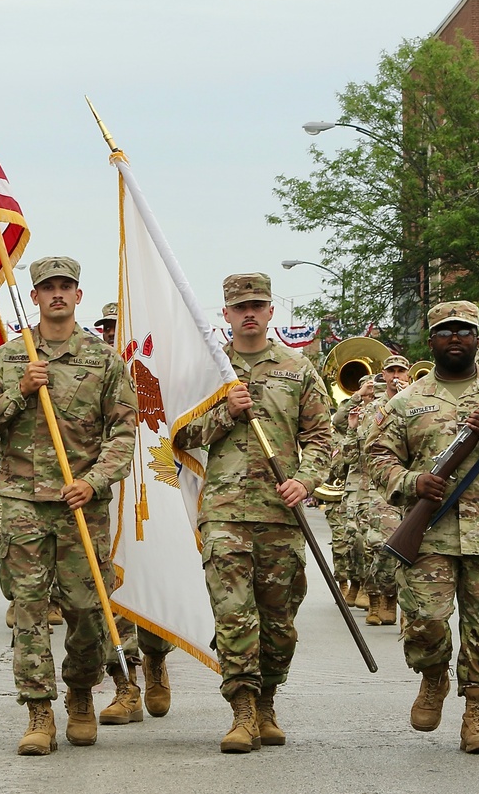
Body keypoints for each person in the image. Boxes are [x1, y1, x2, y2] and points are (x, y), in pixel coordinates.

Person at [0, 257, 138, 757]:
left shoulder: (103, 360)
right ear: (36, 297)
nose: (57, 295)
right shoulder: (9, 358)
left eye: (66, 287)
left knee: (88, 609)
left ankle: (81, 691)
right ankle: (38, 711)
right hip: (22, 502)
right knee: (29, 610)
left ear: (79, 296)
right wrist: (19, 393)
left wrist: (94, 481)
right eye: (48, 288)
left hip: (79, 504)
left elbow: (124, 432)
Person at [367, 300, 479, 755]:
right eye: (446, 331)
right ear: (431, 341)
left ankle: (477, 717)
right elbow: (377, 456)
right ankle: (433, 677)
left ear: (478, 340)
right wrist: (412, 481)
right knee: (425, 622)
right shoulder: (406, 401)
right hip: (428, 536)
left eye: (464, 331)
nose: (456, 337)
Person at [174, 272, 331, 753]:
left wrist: (305, 481)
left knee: (279, 621)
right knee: (234, 615)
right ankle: (242, 711)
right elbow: (175, 437)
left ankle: (268, 701)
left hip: (280, 515)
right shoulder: (207, 372)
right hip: (222, 513)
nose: (249, 313)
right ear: (225, 314)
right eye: (240, 306)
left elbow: (324, 439)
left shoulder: (298, 369)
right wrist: (225, 412)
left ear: (270, 312)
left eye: (258, 305)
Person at [92, 300, 175, 726]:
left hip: (151, 487)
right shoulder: (92, 372)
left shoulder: (153, 373)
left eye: (117, 328)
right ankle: (125, 682)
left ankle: (156, 659)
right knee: (111, 587)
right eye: (106, 327)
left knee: (152, 579)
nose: (111, 334)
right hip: (105, 490)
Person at [357, 354, 410, 626]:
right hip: (383, 485)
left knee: (416, 547)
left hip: (415, 482)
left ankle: (401, 604)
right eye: (391, 371)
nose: (396, 376)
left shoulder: (419, 400)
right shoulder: (375, 407)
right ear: (384, 375)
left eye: (401, 370)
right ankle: (382, 594)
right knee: (381, 544)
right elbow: (365, 439)